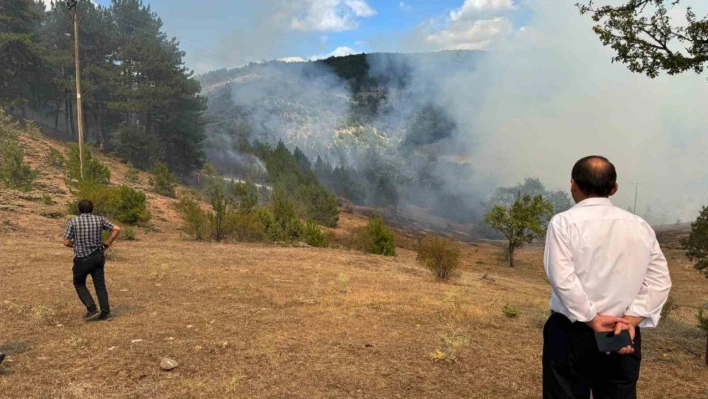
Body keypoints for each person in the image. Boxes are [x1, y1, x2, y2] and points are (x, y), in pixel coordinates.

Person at [543, 156, 672, 399]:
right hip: (619, 331)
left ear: (573, 184)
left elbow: (562, 278)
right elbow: (659, 281)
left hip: (573, 331)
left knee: (565, 393)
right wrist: (630, 321)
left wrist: (591, 318)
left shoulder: (563, 223)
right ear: (614, 189)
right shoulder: (639, 225)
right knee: (616, 393)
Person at [63, 200, 121, 321]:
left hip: (82, 258)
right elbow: (117, 228)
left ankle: (92, 309)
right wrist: (108, 242)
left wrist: (76, 244)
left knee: (79, 283)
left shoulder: (73, 222)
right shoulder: (100, 219)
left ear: (79, 210)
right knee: (100, 285)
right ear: (92, 209)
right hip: (98, 256)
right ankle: (105, 313)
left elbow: (66, 242)